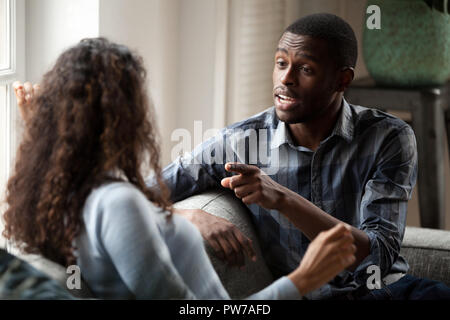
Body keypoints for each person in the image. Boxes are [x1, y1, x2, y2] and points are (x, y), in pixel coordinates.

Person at [6, 38, 356, 299]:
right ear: (124, 117)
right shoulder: (116, 202)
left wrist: (41, 130)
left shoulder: (63, 193)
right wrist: (304, 279)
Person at [153, 13, 450, 299]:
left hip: (392, 291)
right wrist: (185, 215)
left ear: (342, 81)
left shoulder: (388, 137)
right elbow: (125, 191)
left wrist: (283, 199)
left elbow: (377, 256)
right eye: (281, 63)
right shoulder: (239, 142)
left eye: (305, 68)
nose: (286, 78)